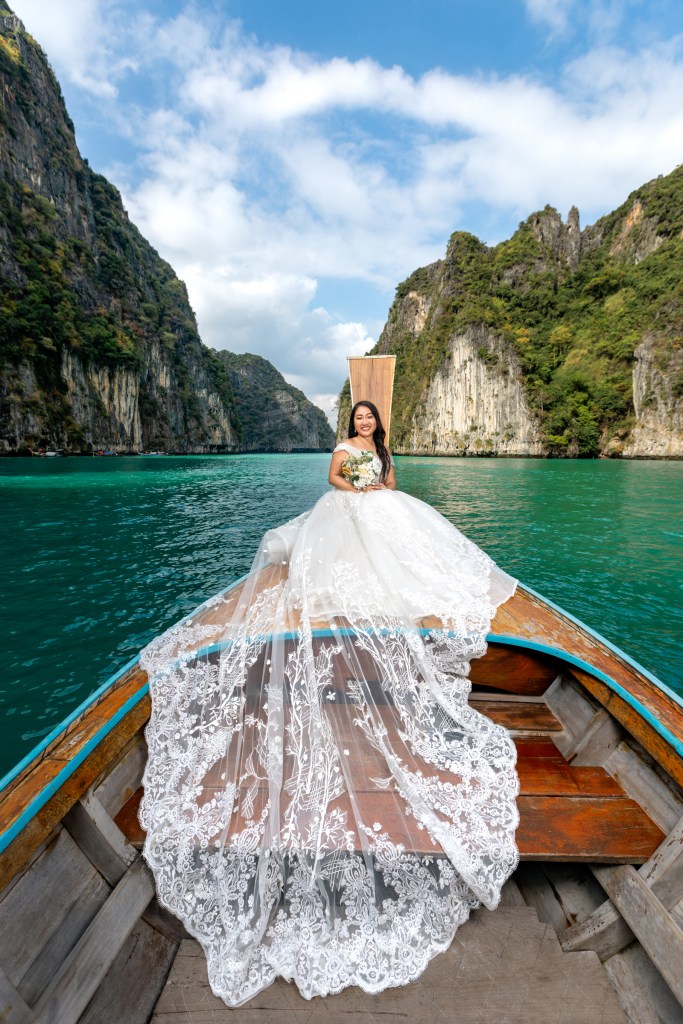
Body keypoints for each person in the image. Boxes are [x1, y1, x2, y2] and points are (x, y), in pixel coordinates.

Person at [139, 399, 519, 1008]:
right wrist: (359, 485)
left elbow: (387, 484)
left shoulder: (383, 455)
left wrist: (382, 483)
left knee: (405, 536)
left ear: (377, 426)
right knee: (348, 549)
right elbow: (337, 483)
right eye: (360, 421)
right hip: (343, 513)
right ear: (352, 426)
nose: (365, 427)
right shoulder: (344, 454)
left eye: (370, 422)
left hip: (380, 509)